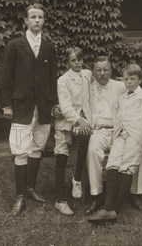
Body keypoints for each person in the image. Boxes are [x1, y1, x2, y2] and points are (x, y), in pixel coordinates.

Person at [0, 2, 58, 216]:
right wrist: (6, 104)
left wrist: (54, 103)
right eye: (33, 17)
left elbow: (52, 78)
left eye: (40, 17)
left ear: (44, 21)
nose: (36, 21)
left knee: (37, 147)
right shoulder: (15, 45)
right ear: (26, 21)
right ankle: (20, 195)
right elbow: (5, 76)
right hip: (21, 105)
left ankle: (31, 187)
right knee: (20, 148)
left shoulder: (49, 47)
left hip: (42, 106)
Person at [88, 64, 142, 223]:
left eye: (132, 79)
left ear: (140, 80)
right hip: (120, 134)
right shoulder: (121, 98)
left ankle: (112, 209)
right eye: (126, 79)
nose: (129, 82)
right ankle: (109, 208)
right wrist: (116, 135)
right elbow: (116, 117)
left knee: (127, 166)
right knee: (112, 165)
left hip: (137, 135)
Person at [53, 47, 93, 215]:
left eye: (79, 59)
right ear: (67, 62)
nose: (77, 63)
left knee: (85, 138)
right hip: (66, 121)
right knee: (61, 156)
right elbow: (65, 106)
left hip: (83, 119)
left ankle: (77, 179)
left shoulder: (88, 74)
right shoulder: (63, 80)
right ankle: (60, 200)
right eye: (73, 60)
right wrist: (78, 120)